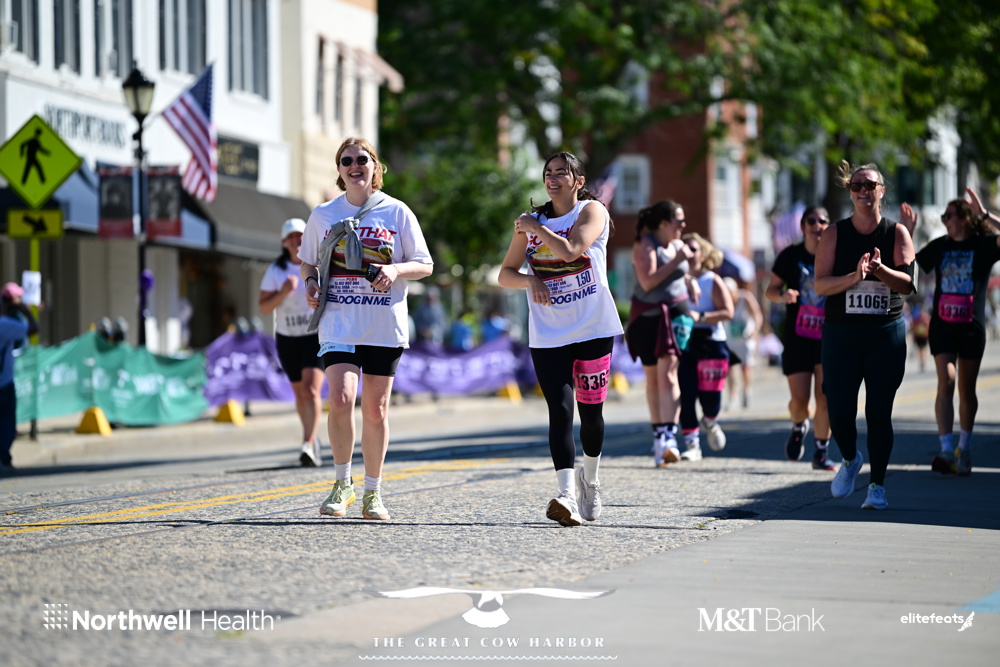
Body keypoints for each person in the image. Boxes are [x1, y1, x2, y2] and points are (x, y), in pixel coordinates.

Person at [299, 137, 433, 520]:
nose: (355, 166)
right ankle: (342, 485)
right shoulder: (323, 214)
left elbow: (425, 264)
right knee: (341, 399)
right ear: (339, 170)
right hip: (338, 323)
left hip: (382, 326)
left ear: (376, 167)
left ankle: (373, 492)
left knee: (376, 409)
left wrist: (395, 269)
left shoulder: (397, 212)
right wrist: (310, 284)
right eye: (347, 161)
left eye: (362, 159)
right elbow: (307, 262)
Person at [498, 151, 623, 526]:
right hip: (549, 332)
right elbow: (505, 274)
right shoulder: (531, 222)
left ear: (578, 181)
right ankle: (566, 494)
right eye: (548, 173)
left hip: (593, 327)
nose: (552, 179)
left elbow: (571, 250)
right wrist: (529, 280)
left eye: (561, 173)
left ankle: (591, 480)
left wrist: (535, 230)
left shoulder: (591, 211)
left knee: (591, 415)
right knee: (561, 410)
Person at [815, 161, 916, 510]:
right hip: (841, 334)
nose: (863, 190)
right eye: (856, 185)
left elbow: (908, 284)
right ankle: (849, 458)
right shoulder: (834, 234)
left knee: (878, 412)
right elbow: (820, 285)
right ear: (849, 192)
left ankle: (877, 486)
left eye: (870, 185)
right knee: (839, 409)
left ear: (881, 191)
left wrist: (879, 270)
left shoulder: (896, 233)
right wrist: (854, 277)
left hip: (884, 334)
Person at [909, 189, 1000, 477]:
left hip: (971, 328)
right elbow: (910, 264)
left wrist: (985, 214)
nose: (944, 220)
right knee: (946, 381)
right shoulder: (940, 246)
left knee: (966, 389)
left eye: (948, 215)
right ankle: (946, 450)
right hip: (943, 327)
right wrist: (908, 233)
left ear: (964, 218)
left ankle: (965, 448)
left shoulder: (983, 246)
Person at [624, 200, 699, 466]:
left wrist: (690, 281)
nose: (683, 225)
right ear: (664, 223)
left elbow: (679, 273)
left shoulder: (678, 245)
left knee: (668, 374)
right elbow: (648, 281)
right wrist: (678, 261)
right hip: (648, 318)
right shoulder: (645, 245)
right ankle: (660, 440)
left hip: (677, 317)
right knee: (654, 379)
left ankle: (669, 437)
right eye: (679, 220)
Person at [765, 206, 836, 470]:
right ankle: (798, 425)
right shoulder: (790, 256)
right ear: (803, 226)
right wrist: (783, 295)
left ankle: (821, 452)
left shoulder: (836, 255)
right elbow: (770, 290)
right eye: (811, 221)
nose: (817, 225)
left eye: (822, 221)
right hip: (798, 338)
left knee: (825, 398)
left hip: (828, 337)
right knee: (800, 402)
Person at [259, 217, 325, 467]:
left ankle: (308, 443)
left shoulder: (317, 265)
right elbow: (264, 308)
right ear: (284, 242)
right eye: (291, 237)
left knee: (311, 390)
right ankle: (311, 437)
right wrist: (283, 292)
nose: (296, 240)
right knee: (300, 394)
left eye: (300, 235)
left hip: (315, 335)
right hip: (287, 338)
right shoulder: (276, 271)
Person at [677, 233, 734, 460]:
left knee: (711, 398)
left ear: (703, 254)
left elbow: (728, 312)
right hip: (685, 342)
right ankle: (692, 445)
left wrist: (699, 316)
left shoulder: (711, 280)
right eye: (685, 249)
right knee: (686, 394)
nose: (689, 253)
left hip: (711, 342)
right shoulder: (676, 280)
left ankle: (710, 421)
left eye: (693, 249)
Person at [1, 283, 39, 473]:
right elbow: (33, 328)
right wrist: (26, 311)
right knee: (6, 421)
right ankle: (4, 458)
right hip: (4, 382)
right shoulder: (5, 325)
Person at [724, 277, 763, 410]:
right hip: (730, 338)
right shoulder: (723, 300)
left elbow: (757, 315)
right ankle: (732, 396)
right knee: (729, 369)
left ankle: (746, 391)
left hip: (746, 338)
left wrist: (755, 330)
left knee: (745, 367)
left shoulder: (745, 297)